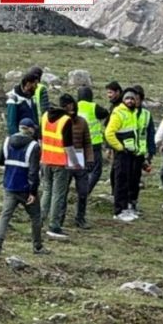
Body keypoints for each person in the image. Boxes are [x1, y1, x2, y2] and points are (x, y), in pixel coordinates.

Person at [0, 118, 49, 255]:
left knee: (5, 215)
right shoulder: (34, 146)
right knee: (35, 216)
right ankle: (37, 246)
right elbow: (33, 172)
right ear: (30, 130)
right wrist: (33, 193)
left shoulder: (7, 141)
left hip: (9, 186)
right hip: (25, 189)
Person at [39, 105, 80, 238]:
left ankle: (39, 221)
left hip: (45, 160)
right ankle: (54, 226)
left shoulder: (44, 116)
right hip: (60, 163)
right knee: (58, 195)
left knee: (46, 191)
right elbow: (68, 146)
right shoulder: (65, 120)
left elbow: (40, 139)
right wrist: (75, 162)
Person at [57, 94, 95, 230]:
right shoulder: (60, 121)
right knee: (62, 192)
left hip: (80, 162)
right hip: (64, 162)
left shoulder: (82, 122)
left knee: (83, 192)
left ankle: (80, 218)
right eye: (67, 106)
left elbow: (87, 142)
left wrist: (90, 159)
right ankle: (59, 217)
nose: (70, 108)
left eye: (71, 105)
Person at [104, 88, 142, 221]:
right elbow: (109, 133)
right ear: (123, 100)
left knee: (127, 181)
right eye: (127, 98)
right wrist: (119, 147)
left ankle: (125, 208)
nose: (130, 101)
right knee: (120, 181)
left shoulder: (132, 113)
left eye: (132, 99)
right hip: (122, 153)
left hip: (130, 152)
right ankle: (118, 211)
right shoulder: (118, 113)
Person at [75, 85, 110, 207]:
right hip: (93, 144)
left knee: (81, 171)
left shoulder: (74, 107)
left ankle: (80, 191)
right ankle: (85, 192)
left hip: (77, 145)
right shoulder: (93, 107)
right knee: (96, 171)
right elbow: (105, 113)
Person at [129, 85, 156, 215]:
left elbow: (150, 133)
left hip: (139, 152)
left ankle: (132, 203)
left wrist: (151, 152)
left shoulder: (146, 114)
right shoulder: (124, 112)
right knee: (125, 178)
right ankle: (123, 204)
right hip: (126, 151)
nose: (134, 101)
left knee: (136, 179)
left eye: (137, 99)